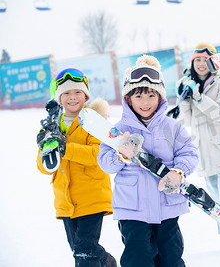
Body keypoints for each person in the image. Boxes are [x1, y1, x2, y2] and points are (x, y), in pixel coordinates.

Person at [97, 55, 198, 267]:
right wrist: (121, 155)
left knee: (170, 258)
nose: (145, 102)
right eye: (139, 96)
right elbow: (105, 163)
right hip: (133, 210)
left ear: (160, 97)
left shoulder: (172, 127)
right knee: (138, 258)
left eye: (151, 95)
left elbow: (189, 153)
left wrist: (178, 172)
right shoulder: (118, 131)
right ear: (128, 99)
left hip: (167, 208)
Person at [36, 68, 116, 266]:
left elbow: (97, 155)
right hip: (66, 202)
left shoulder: (95, 121)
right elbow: (44, 167)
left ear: (86, 95)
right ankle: (107, 262)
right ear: (59, 98)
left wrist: (65, 147)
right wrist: (45, 147)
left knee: (84, 252)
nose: (73, 97)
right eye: (67, 93)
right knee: (80, 251)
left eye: (78, 92)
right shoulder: (51, 126)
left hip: (92, 196)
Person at [176, 43, 220, 251]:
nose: (200, 64)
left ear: (212, 61)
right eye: (196, 60)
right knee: (215, 196)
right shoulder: (189, 83)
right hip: (204, 149)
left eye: (204, 59)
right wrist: (184, 97)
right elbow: (188, 120)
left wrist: (198, 96)